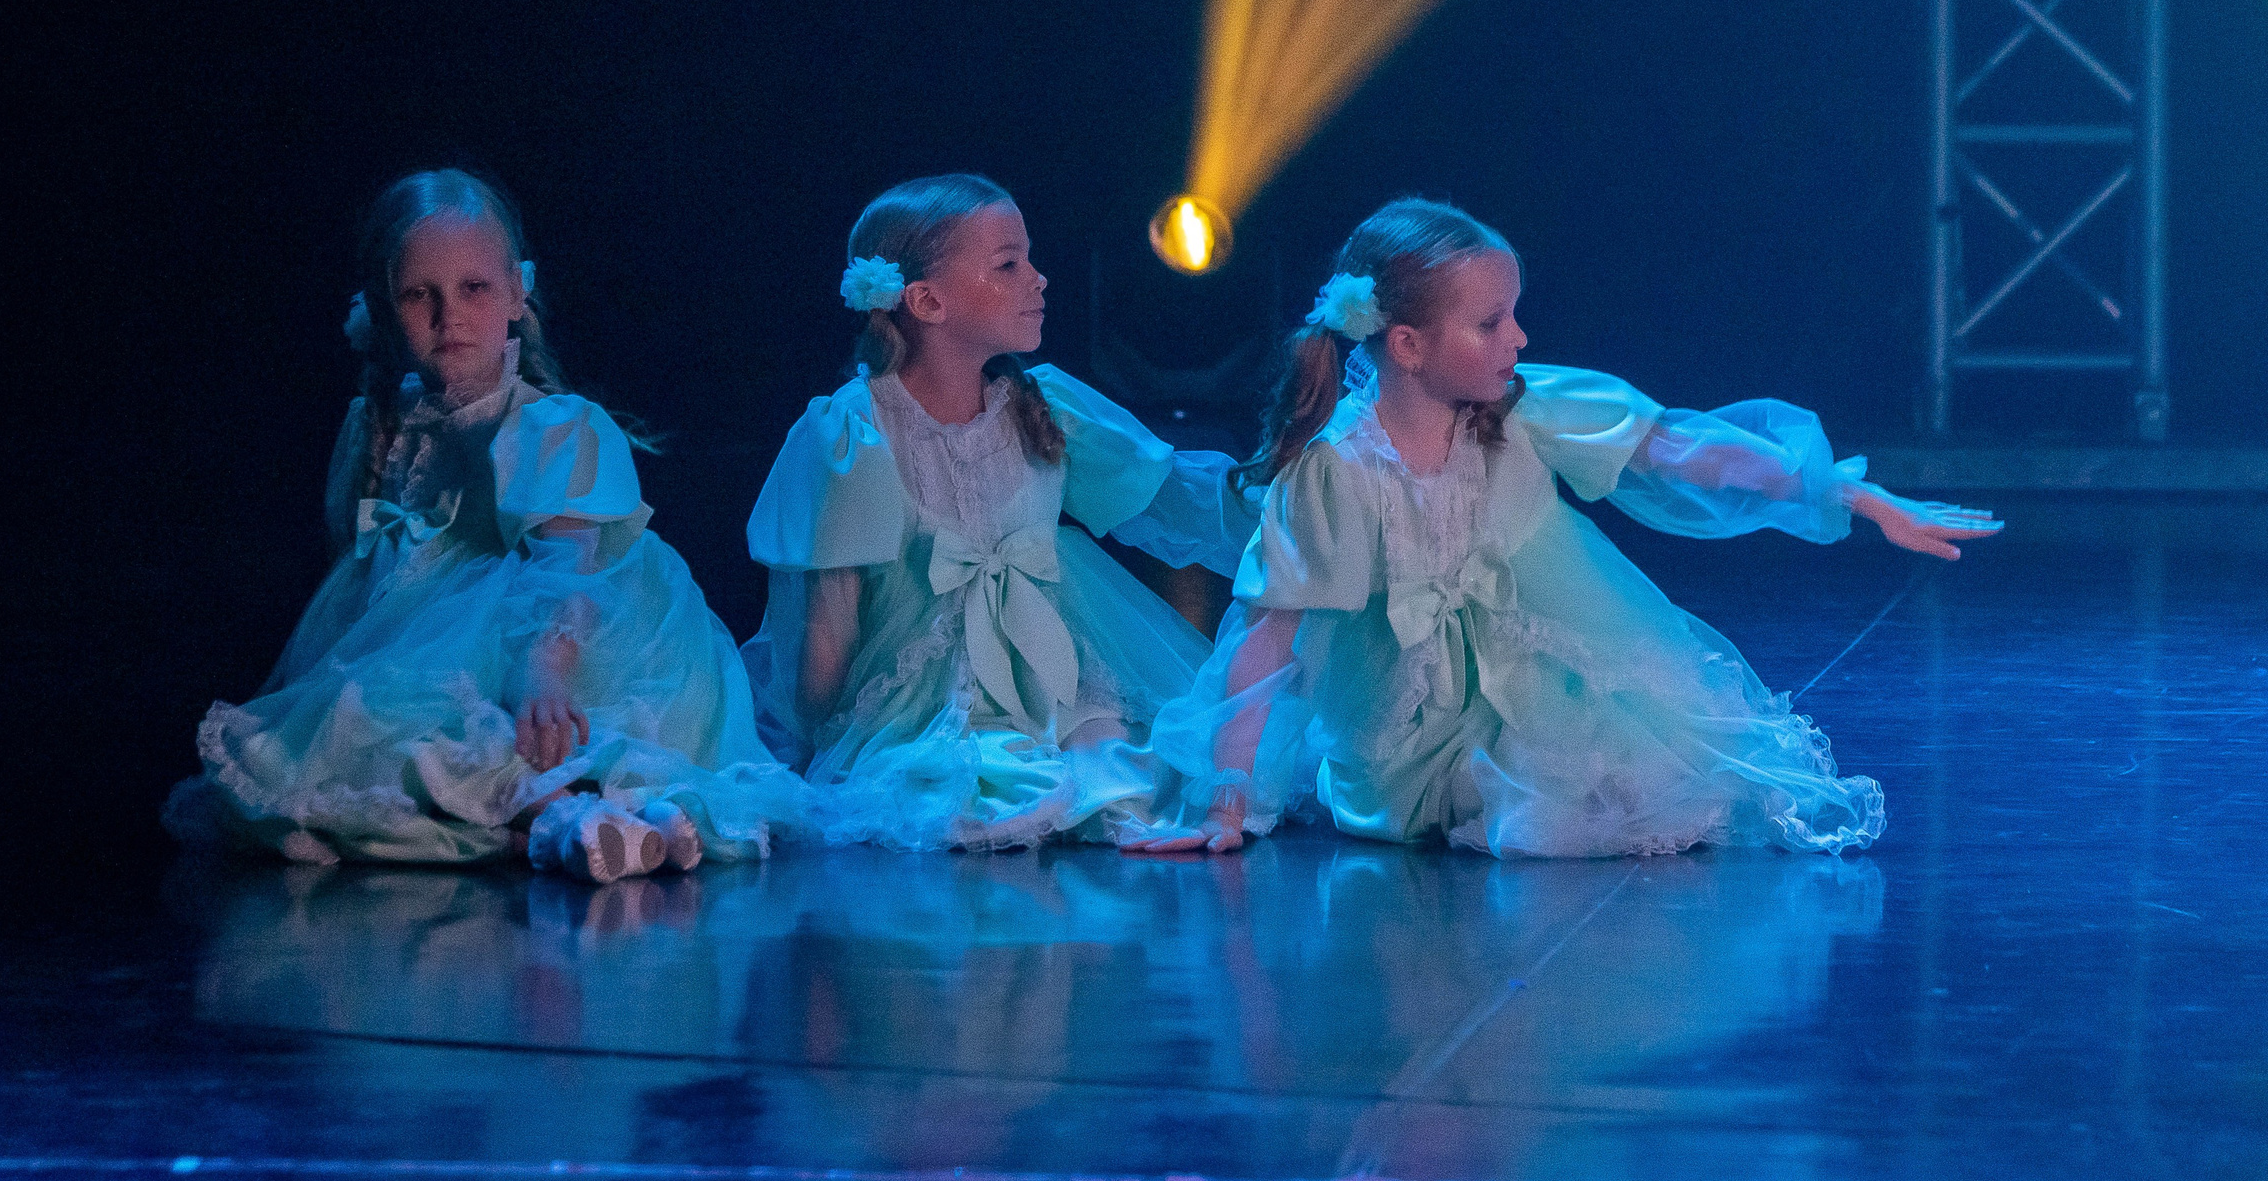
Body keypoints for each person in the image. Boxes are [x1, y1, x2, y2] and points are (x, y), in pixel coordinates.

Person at [1133, 197, 1998, 858]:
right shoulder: (1338, 472)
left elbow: (1677, 448)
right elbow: (1267, 634)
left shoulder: (1520, 408)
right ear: (1406, 345)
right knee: (1533, 812)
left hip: (1533, 662)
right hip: (1408, 729)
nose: (1518, 336)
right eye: (1489, 323)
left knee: (1639, 777)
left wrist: (1847, 493)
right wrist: (1227, 798)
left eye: (1512, 313)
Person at [165, 169, 800, 880]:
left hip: (560, 630)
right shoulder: (376, 427)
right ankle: (573, 822)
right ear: (384, 308)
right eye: (420, 295)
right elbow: (359, 561)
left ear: (516, 293)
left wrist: (544, 668)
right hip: (430, 633)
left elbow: (570, 562)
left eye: (474, 288)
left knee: (509, 717)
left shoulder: (550, 424)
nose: (450, 316)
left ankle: (601, 810)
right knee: (368, 720)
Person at [745, 174, 1258, 850]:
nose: (1038, 279)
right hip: (917, 705)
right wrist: (822, 740)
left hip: (1055, 681)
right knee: (943, 792)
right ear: (927, 300)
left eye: (1029, 259)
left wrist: (1290, 498)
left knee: (1128, 775)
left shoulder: (1042, 406)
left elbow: (1175, 497)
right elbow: (827, 629)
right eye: (1008, 264)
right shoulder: (854, 433)